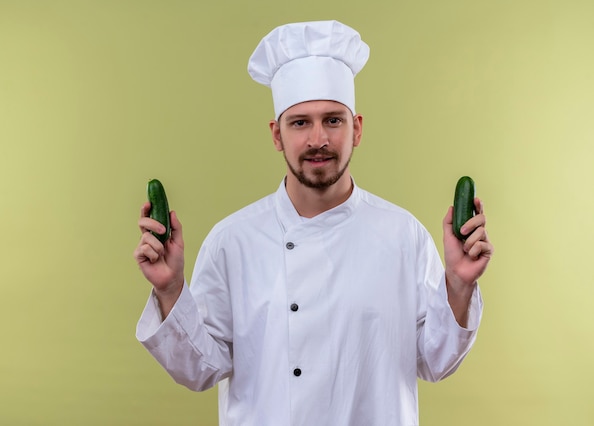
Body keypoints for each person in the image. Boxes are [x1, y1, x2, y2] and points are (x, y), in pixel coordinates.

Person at [134, 20, 493, 426]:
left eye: (333, 120)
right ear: (276, 134)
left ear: (356, 129)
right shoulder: (232, 241)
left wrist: (460, 286)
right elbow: (200, 370)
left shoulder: (404, 236)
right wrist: (169, 291)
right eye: (300, 122)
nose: (318, 139)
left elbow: (435, 362)